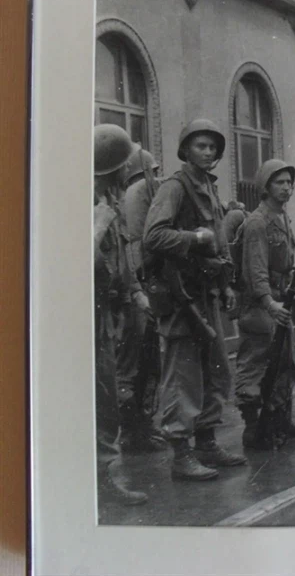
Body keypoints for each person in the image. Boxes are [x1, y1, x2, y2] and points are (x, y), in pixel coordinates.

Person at [143, 118, 246, 480]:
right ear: (185, 149)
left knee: (217, 371)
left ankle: (206, 443)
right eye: (200, 146)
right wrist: (194, 238)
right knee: (183, 377)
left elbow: (219, 237)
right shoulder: (175, 187)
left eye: (212, 147)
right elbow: (153, 237)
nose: (208, 152)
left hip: (208, 293)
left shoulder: (207, 186)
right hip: (182, 297)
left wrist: (227, 282)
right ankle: (181, 453)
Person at [236, 159, 295, 449]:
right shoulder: (257, 221)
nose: (286, 187)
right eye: (279, 182)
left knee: (284, 362)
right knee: (257, 364)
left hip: (281, 300)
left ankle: (280, 419)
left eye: (288, 182)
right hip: (261, 304)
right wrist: (270, 304)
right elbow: (255, 271)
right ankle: (253, 428)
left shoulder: (281, 217)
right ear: (265, 187)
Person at [94, 123, 150, 505]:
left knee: (107, 397)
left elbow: (121, 261)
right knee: (99, 400)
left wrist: (134, 292)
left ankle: (101, 480)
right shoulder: (92, 209)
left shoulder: (108, 205)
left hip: (106, 316)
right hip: (84, 319)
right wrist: (97, 226)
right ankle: (99, 484)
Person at [117, 146, 167, 454]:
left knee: (136, 364)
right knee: (142, 364)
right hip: (141, 288)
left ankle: (135, 430)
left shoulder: (126, 196)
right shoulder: (142, 192)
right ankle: (137, 431)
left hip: (135, 289)